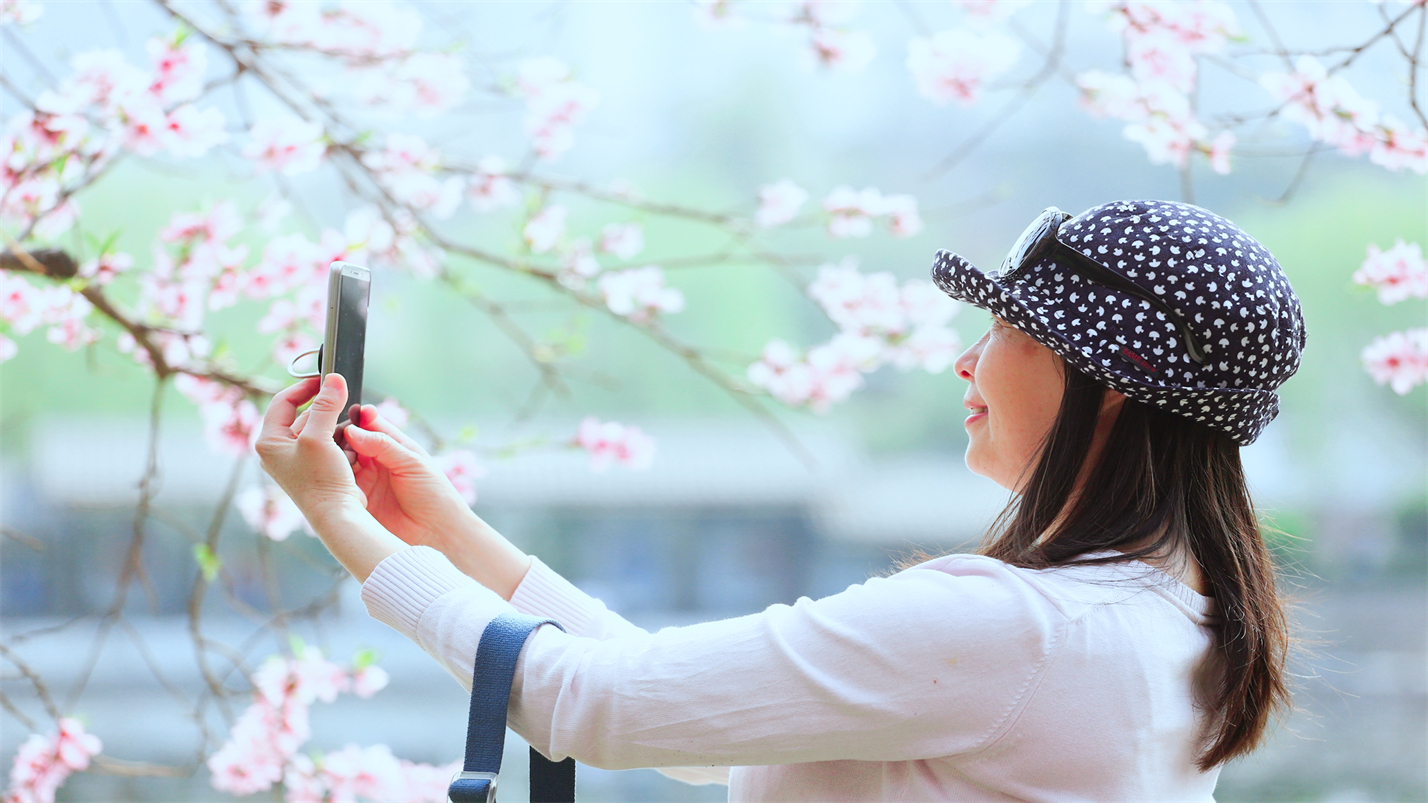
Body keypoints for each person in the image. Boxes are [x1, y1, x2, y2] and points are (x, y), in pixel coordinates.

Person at [257, 199, 1305, 801]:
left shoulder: (1011, 623)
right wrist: (439, 525)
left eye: (1009, 332)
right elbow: (684, 714)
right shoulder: (1166, 614)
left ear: (1109, 387)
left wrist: (343, 522)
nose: (966, 360)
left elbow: (598, 707)